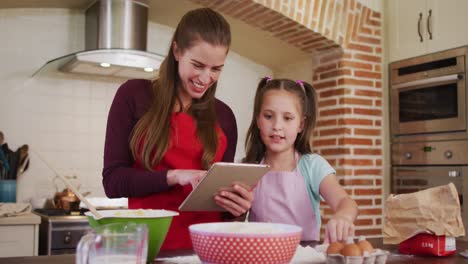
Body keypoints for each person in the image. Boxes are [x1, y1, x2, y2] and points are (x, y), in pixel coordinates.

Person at [102, 8, 253, 250]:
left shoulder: (224, 116)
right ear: (176, 51)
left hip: (207, 249)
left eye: (216, 69)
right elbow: (112, 182)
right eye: (198, 65)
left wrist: (238, 209)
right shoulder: (134, 95)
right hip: (148, 246)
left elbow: (223, 213)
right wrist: (175, 176)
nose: (206, 78)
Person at [244, 77, 358, 243]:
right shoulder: (246, 168)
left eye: (288, 118)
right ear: (258, 120)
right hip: (261, 257)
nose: (277, 125)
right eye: (268, 116)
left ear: (301, 125)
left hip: (305, 257)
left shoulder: (312, 166)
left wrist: (343, 217)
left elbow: (344, 201)